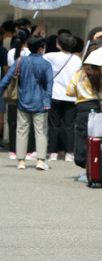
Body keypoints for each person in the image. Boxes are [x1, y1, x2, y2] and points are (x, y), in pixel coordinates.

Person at [66, 50, 102, 182]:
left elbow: (69, 92)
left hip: (84, 110)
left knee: (86, 141)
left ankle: (89, 170)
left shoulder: (78, 75)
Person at [0, 36, 53, 170]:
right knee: (40, 131)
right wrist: (47, 101)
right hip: (40, 103)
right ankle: (40, 160)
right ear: (41, 48)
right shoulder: (46, 64)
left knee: (21, 130)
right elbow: (49, 85)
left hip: (23, 101)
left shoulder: (20, 61)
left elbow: (6, 80)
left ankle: (21, 161)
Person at [44, 33, 82, 162]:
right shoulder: (77, 60)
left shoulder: (51, 56)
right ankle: (69, 153)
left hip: (55, 95)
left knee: (53, 125)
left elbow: (41, 60)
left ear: (58, 44)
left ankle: (52, 152)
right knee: (69, 126)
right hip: (71, 97)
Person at [6, 29, 36, 160]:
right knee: (27, 121)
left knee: (13, 121)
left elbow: (9, 68)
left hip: (14, 89)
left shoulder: (11, 52)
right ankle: (28, 151)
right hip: (28, 89)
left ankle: (13, 150)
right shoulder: (30, 53)